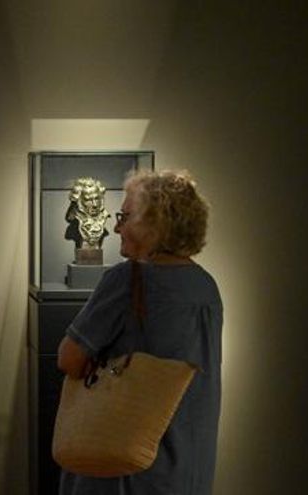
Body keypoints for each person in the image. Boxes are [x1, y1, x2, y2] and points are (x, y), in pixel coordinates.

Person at [56, 170, 222, 494]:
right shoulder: (206, 286)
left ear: (156, 223)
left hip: (126, 470)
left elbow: (69, 359)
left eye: (125, 216)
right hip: (185, 466)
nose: (116, 227)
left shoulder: (127, 280)